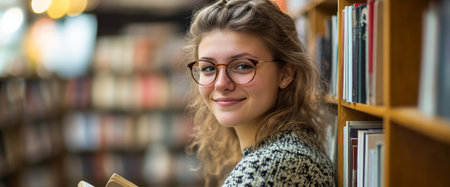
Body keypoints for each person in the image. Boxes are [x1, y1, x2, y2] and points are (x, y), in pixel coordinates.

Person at [184, 0, 335, 186]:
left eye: (242, 66)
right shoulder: (281, 152)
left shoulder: (276, 164)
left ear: (286, 73)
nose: (221, 84)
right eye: (208, 68)